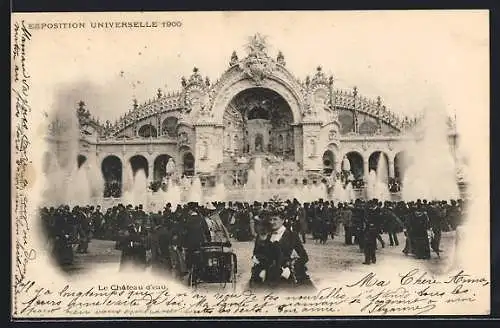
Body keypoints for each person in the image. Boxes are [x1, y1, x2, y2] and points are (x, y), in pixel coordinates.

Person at [250, 208, 314, 290]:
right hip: (266, 275)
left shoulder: (292, 236)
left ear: (283, 220)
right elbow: (257, 253)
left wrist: (290, 268)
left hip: (286, 276)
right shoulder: (264, 234)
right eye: (270, 219)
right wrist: (261, 268)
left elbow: (304, 257)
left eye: (275, 219)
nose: (272, 222)